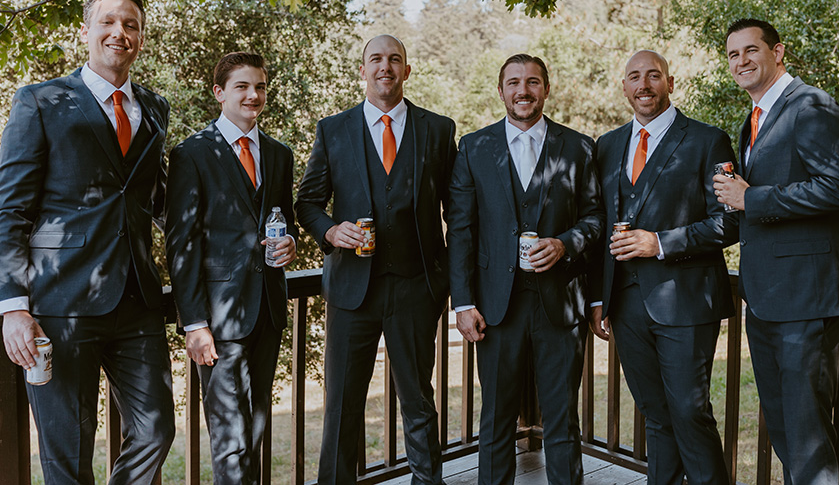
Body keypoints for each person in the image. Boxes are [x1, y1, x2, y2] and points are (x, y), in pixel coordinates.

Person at [0, 0, 175, 484]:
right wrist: (13, 307)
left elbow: (159, 201)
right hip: (60, 304)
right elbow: (11, 209)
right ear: (87, 32)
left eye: (132, 25)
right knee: (69, 453)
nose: (120, 32)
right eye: (109, 22)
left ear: (141, 38)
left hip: (138, 300)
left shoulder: (154, 108)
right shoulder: (41, 101)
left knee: (157, 429)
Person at [295, 35, 456, 485]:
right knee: (343, 403)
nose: (385, 67)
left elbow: (456, 210)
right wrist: (329, 230)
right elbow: (306, 201)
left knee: (418, 400)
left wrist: (449, 283)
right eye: (376, 59)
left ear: (407, 70)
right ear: (362, 70)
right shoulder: (333, 129)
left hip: (416, 287)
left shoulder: (439, 130)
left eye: (394, 59)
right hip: (350, 289)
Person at [714, 18, 839, 484]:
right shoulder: (753, 118)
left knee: (808, 437)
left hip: (807, 303)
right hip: (767, 301)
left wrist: (751, 197)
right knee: (784, 431)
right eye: (733, 54)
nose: (742, 61)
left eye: (751, 50)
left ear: (778, 53)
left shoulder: (811, 106)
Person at [448, 53, 604, 485]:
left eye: (532, 82)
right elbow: (461, 229)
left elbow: (595, 219)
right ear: (500, 91)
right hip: (496, 308)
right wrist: (462, 302)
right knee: (496, 419)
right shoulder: (474, 147)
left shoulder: (578, 146)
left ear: (546, 89)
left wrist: (564, 243)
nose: (523, 91)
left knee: (562, 420)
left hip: (561, 305)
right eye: (514, 83)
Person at [590, 50, 737, 485]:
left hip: (687, 303)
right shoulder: (608, 144)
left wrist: (660, 243)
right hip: (626, 305)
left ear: (670, 82)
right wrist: (599, 296)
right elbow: (600, 227)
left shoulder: (708, 140)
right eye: (634, 77)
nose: (644, 84)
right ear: (624, 88)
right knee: (655, 415)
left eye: (653, 75)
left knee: (690, 413)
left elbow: (728, 222)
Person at [165, 52, 297, 484]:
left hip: (267, 312)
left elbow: (285, 219)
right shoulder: (191, 155)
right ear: (220, 93)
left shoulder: (279, 154)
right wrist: (194, 323)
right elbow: (180, 243)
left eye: (259, 86)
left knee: (255, 427)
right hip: (218, 320)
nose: (253, 95)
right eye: (241, 86)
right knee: (229, 437)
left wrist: (290, 242)